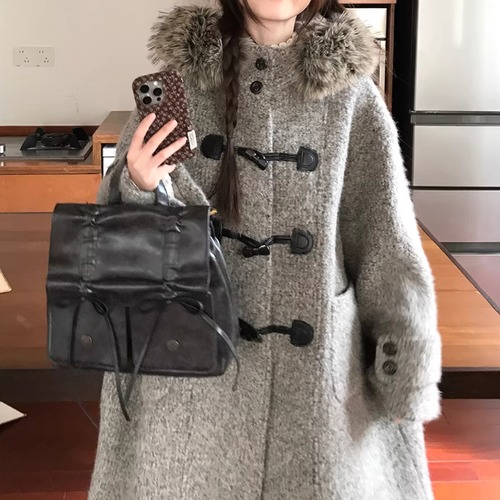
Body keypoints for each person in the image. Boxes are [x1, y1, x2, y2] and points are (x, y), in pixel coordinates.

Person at [89, 1, 443, 499]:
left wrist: (405, 367)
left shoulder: (350, 95)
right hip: (189, 378)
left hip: (314, 380)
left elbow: (386, 242)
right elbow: (115, 231)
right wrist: (139, 181)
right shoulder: (183, 82)